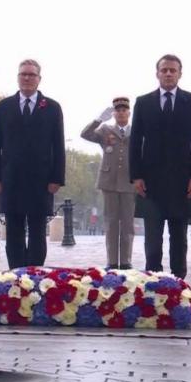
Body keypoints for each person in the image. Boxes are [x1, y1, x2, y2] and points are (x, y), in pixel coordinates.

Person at [129, 54, 191, 279]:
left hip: (182, 181)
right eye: (164, 70)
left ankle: (179, 284)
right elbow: (135, 142)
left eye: (173, 70)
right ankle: (152, 284)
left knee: (179, 239)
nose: (168, 74)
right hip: (151, 182)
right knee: (152, 241)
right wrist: (136, 176)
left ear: (180, 73)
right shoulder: (143, 102)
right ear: (157, 73)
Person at [0, 59, 66, 269]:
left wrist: (57, 178)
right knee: (14, 230)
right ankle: (16, 273)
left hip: (41, 180)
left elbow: (58, 145)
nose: (27, 78)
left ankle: (34, 274)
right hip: (11, 178)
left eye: (32, 75)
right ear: (18, 77)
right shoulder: (4, 107)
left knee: (37, 230)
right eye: (23, 74)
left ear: (39, 79)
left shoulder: (52, 107)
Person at [81, 96, 136, 269]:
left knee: (127, 224)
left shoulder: (136, 130)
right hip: (109, 181)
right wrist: (98, 120)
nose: (121, 113)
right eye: (117, 110)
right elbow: (85, 134)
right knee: (111, 222)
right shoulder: (105, 130)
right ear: (113, 113)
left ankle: (126, 261)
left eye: (124, 110)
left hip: (129, 181)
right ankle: (112, 261)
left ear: (129, 112)